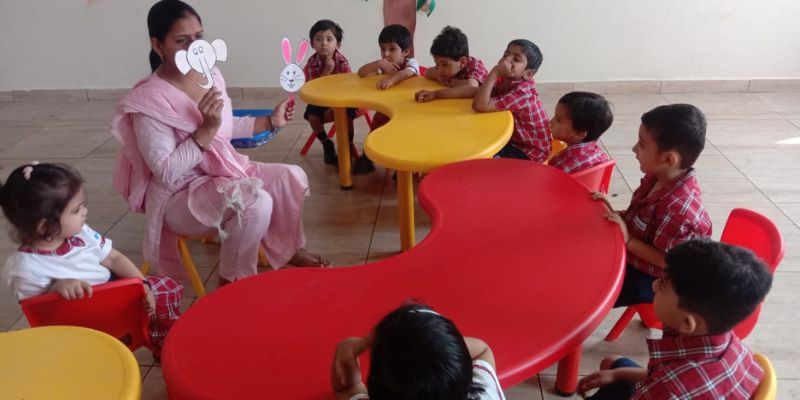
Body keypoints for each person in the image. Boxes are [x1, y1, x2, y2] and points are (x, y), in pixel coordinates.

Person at [111, 0, 329, 288]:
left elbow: (224, 128)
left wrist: (269, 121)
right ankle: (231, 281)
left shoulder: (211, 75)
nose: (195, 48)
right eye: (182, 40)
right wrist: (205, 132)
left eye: (199, 37)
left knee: (291, 176)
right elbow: (165, 172)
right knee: (254, 201)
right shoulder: (149, 101)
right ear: (157, 45)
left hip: (221, 171)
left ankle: (289, 249)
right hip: (179, 194)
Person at [1, 163, 183, 356]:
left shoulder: (81, 234)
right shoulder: (24, 267)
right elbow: (41, 314)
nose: (84, 212)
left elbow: (113, 258)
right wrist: (55, 289)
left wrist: (142, 285)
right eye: (76, 210)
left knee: (164, 290)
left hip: (116, 296)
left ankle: (163, 342)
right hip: (80, 323)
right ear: (44, 226)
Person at [578, 239, 772, 399]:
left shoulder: (668, 390)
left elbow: (668, 384)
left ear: (687, 322)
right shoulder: (730, 344)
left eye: (662, 286)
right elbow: (665, 375)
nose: (654, 286)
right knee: (613, 363)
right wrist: (618, 374)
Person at [593, 104, 712, 307]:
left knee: (591, 290)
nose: (634, 149)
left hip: (651, 278)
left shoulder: (677, 210)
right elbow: (639, 219)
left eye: (642, 144)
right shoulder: (656, 177)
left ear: (668, 159)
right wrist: (614, 214)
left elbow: (668, 261)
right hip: (633, 252)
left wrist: (628, 240)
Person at [331, 303, 506, 400]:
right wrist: (447, 352)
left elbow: (347, 389)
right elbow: (482, 350)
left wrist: (352, 348)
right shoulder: (485, 394)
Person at [354, 24, 421, 174]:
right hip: (386, 109)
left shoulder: (411, 63)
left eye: (392, 49)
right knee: (376, 126)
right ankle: (367, 157)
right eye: (382, 48)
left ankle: (403, 169)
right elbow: (361, 73)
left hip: (409, 112)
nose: (386, 54)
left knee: (405, 136)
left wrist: (391, 80)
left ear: (405, 52)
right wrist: (378, 64)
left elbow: (407, 73)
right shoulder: (384, 65)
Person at [472, 39, 551, 162]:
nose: (507, 60)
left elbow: (480, 105)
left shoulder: (523, 92)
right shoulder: (506, 81)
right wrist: (440, 94)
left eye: (516, 59)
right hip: (516, 141)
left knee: (481, 154)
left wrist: (494, 72)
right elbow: (476, 92)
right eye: (506, 54)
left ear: (528, 74)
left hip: (529, 152)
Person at [303, 19, 358, 165]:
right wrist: (326, 71)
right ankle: (326, 142)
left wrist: (334, 106)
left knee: (347, 116)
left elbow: (347, 89)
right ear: (312, 43)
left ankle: (347, 145)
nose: (324, 43)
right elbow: (312, 89)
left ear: (338, 45)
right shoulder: (312, 63)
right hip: (320, 99)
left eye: (329, 39)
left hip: (343, 99)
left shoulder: (342, 62)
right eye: (318, 39)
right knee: (312, 117)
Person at [414, 26, 488, 102]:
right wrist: (438, 76)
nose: (440, 70)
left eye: (445, 65)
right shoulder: (446, 64)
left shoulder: (475, 66)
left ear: (462, 62)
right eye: (437, 63)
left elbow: (470, 87)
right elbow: (427, 72)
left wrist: (436, 93)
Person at [548, 92, 613, 173]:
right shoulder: (600, 155)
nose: (550, 122)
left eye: (558, 120)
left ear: (578, 134)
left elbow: (547, 178)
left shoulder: (562, 164)